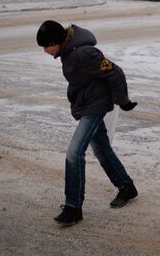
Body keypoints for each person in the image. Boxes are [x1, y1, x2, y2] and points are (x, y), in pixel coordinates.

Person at [36, 20, 138, 227]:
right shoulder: (68, 52)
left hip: (96, 106)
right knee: (101, 149)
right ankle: (127, 187)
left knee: (74, 153)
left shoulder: (84, 53)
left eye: (46, 46)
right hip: (88, 104)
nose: (46, 51)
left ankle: (73, 207)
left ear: (56, 41)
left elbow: (114, 71)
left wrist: (123, 100)